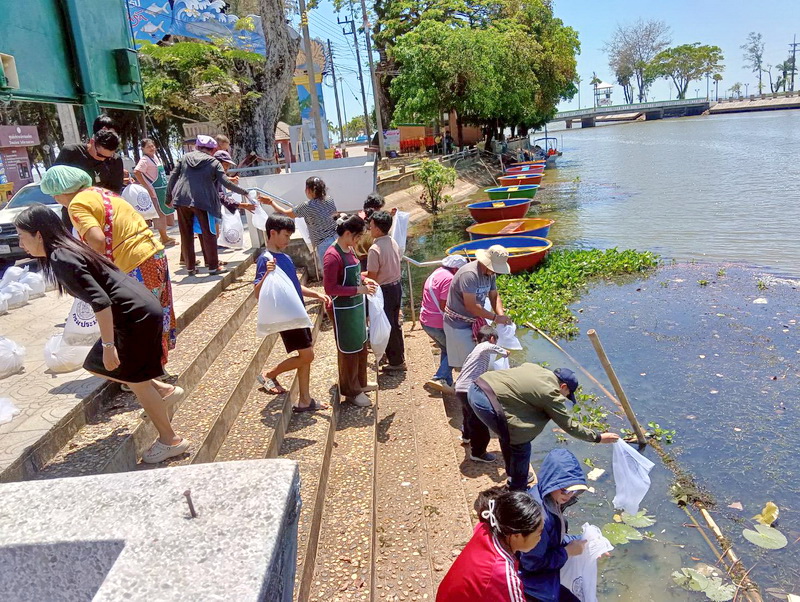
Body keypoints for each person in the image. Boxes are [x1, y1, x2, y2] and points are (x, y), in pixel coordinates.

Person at [15, 205, 187, 463]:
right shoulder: (66, 251)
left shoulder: (61, 257)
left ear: (38, 235)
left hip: (134, 315)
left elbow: (101, 302)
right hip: (137, 308)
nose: (21, 244)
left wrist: (108, 345)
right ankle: (163, 391)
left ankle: (170, 440)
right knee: (97, 364)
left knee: (135, 380)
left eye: (22, 236)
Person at [40, 165, 177, 365]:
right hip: (153, 254)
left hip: (133, 262)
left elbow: (97, 240)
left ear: (60, 191)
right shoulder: (101, 193)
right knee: (157, 313)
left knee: (138, 320)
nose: (55, 199)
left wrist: (93, 272)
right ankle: (156, 365)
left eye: (54, 194)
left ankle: (145, 371)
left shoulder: (77, 204)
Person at [467, 364, 620, 491]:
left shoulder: (534, 368)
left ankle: (490, 460)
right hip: (485, 403)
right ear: (563, 386)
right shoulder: (550, 393)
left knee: (507, 430)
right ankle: (517, 488)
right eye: (567, 394)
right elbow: (569, 426)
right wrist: (598, 438)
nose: (565, 398)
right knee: (520, 441)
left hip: (475, 387)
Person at [254, 214, 331, 412]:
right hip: (287, 317)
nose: (288, 240)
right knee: (307, 356)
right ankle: (269, 374)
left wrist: (316, 294)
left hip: (297, 313)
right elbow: (257, 293)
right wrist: (267, 274)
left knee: (305, 355)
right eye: (286, 235)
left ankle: (305, 399)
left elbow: (295, 286)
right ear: (272, 233)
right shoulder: (265, 260)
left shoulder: (285, 258)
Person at [437, 486, 543, 602]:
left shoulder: (487, 527)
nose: (540, 539)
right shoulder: (503, 573)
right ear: (516, 535)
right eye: (539, 533)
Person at [166, 134, 252, 275]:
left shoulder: (185, 158)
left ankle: (190, 268)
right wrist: (245, 192)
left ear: (197, 147)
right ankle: (213, 266)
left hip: (182, 200)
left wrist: (168, 198)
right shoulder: (214, 162)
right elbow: (226, 183)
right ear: (213, 150)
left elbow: (173, 177)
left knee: (186, 234)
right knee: (209, 233)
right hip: (203, 201)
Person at [519, 449, 596, 602]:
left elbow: (553, 539)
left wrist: (587, 542)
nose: (569, 495)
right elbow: (531, 564)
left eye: (574, 490)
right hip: (531, 585)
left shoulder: (548, 498)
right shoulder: (539, 519)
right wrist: (567, 552)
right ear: (551, 483)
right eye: (565, 490)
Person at [323, 214, 379, 407]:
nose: (359, 241)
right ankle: (351, 390)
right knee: (348, 350)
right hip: (342, 310)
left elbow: (355, 274)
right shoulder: (332, 256)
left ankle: (361, 382)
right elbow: (330, 288)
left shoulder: (350, 249)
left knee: (360, 345)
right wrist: (358, 290)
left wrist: (365, 279)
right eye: (358, 236)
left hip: (356, 307)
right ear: (347, 233)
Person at [443, 245, 511, 370]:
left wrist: (501, 315)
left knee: (480, 359)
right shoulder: (470, 275)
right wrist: (495, 318)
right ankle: (455, 381)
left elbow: (494, 296)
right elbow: (471, 306)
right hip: (458, 323)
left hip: (475, 321)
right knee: (468, 363)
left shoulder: (490, 274)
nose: (495, 271)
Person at [454, 325, 508, 463]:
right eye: (495, 340)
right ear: (492, 338)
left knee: (468, 414)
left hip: (460, 387)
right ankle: (478, 452)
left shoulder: (474, 351)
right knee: (479, 420)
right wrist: (504, 352)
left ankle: (466, 437)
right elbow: (489, 346)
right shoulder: (483, 347)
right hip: (468, 388)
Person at [260, 176, 337, 269]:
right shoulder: (329, 200)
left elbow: (286, 213)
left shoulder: (308, 206)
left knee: (330, 273)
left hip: (324, 244)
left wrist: (271, 202)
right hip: (337, 239)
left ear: (308, 190)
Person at [420, 255, 467, 393]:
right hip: (437, 323)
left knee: (446, 349)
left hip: (426, 320)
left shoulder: (437, 273)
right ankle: (439, 377)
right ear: (455, 269)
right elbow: (444, 305)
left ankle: (447, 381)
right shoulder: (449, 279)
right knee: (455, 350)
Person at [365, 210, 405, 371]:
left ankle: (396, 362)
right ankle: (398, 356)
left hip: (385, 291)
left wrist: (361, 277)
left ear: (378, 228)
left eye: (371, 225)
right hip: (396, 287)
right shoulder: (392, 241)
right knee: (395, 323)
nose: (369, 228)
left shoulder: (375, 249)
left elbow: (372, 277)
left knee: (387, 325)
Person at [54, 114, 125, 194]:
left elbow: (115, 191)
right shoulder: (70, 152)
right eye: (100, 155)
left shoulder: (115, 160)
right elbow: (55, 181)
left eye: (108, 157)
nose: (103, 159)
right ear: (92, 141)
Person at [134, 138, 176, 245]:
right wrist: (147, 186)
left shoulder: (155, 157)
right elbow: (137, 172)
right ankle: (164, 238)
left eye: (152, 146)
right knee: (159, 214)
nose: (151, 148)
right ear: (143, 149)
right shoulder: (144, 160)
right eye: (148, 147)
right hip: (155, 191)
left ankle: (164, 236)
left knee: (165, 212)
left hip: (162, 189)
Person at [354, 192, 392, 270]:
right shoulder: (362, 223)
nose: (379, 211)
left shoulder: (364, 218)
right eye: (378, 209)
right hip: (364, 259)